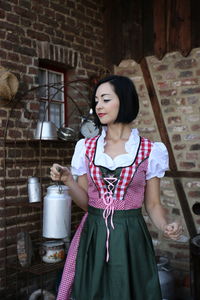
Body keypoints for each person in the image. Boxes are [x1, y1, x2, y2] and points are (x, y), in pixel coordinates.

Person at [50, 75, 182, 300]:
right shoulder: (86, 147)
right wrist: (68, 181)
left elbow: (152, 204)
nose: (98, 106)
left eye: (105, 99)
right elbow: (86, 204)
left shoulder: (150, 150)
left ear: (124, 101)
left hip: (130, 237)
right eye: (96, 100)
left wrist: (166, 225)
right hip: (92, 234)